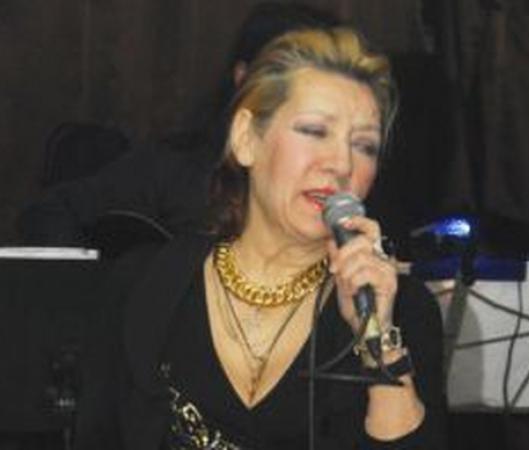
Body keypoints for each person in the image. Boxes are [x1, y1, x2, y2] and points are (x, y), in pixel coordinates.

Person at [74, 27, 446, 449]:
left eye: (364, 146)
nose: (341, 164)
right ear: (247, 139)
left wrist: (377, 337)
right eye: (314, 131)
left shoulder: (402, 309)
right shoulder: (144, 286)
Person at [16, 2, 338, 248]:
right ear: (243, 79)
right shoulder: (174, 166)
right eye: (283, 82)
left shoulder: (339, 185)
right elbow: (47, 214)